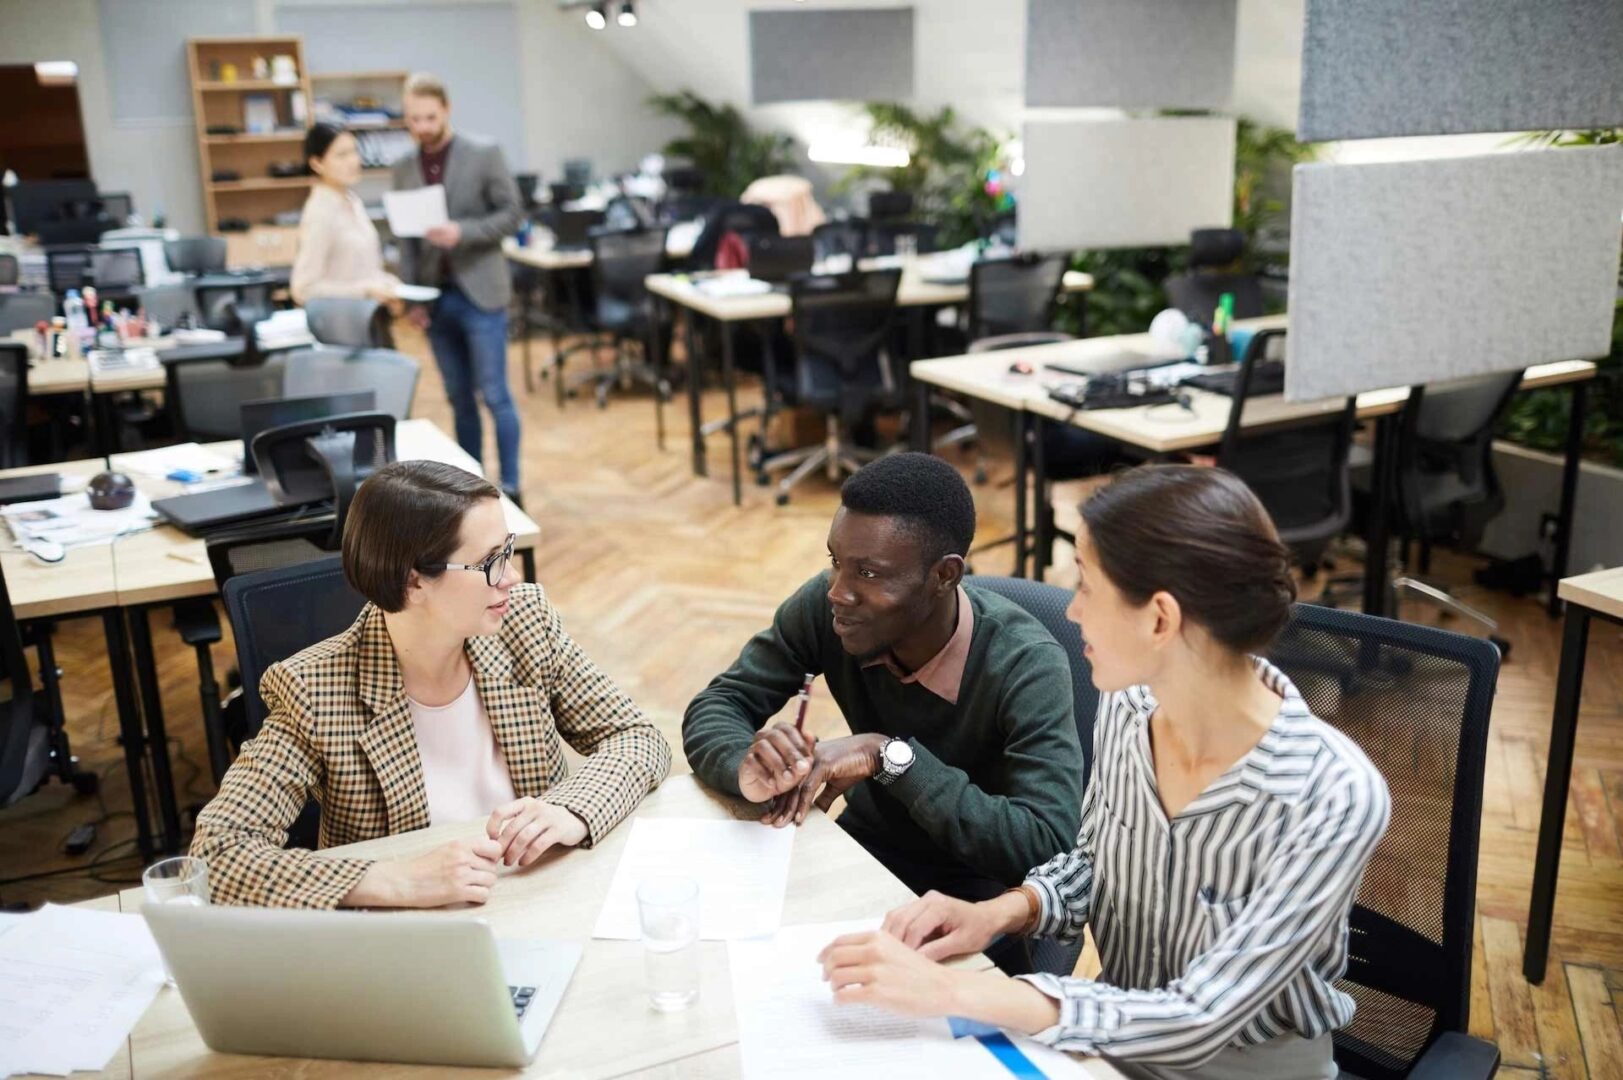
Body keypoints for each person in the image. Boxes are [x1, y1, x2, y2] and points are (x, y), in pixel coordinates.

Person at [816, 465, 1391, 1080]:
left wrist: (957, 993)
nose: (1072, 609)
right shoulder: (1128, 708)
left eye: (1087, 586)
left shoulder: (1333, 796)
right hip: (1107, 1049)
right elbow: (1096, 860)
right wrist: (1002, 912)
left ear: (1160, 619)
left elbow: (1200, 1018)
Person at [191, 461, 671, 908]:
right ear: (412, 583)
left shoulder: (525, 623)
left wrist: (572, 808)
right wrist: (395, 879)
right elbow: (216, 854)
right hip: (416, 939)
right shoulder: (314, 690)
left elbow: (639, 739)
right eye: (490, 562)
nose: (513, 577)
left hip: (541, 898)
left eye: (508, 550)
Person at [683, 453, 1084, 971]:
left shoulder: (1025, 665)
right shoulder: (828, 610)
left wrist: (888, 756)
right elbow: (720, 703)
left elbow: (1045, 846)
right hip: (859, 859)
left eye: (868, 572)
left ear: (944, 575)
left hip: (972, 902)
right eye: (835, 560)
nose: (838, 591)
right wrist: (747, 764)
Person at [391, 73, 524, 495]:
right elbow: (405, 238)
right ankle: (473, 490)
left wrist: (462, 232)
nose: (423, 127)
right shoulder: (402, 166)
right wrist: (411, 296)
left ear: (447, 110)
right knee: (458, 399)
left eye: (430, 117)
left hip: (481, 292)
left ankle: (513, 485)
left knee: (495, 395)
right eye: (414, 119)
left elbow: (512, 215)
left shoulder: (484, 153)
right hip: (435, 297)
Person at [289, 122, 402, 308]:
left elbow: (362, 270)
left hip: (368, 319)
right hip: (341, 324)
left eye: (354, 151)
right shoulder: (320, 212)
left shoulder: (352, 201)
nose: (353, 161)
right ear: (317, 163)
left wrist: (387, 282)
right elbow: (304, 289)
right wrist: (364, 290)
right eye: (342, 155)